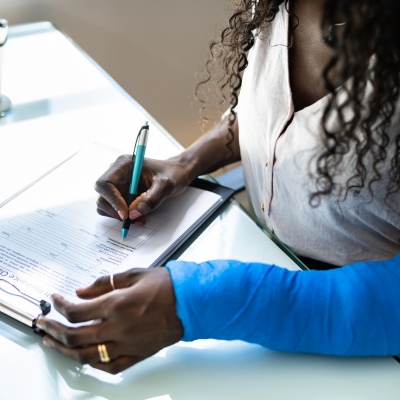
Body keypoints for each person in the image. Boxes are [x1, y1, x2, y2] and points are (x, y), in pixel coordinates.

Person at [37, 0, 400, 374]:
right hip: (266, 261)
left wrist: (207, 298)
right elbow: (277, 117)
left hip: (369, 350)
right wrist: (186, 162)